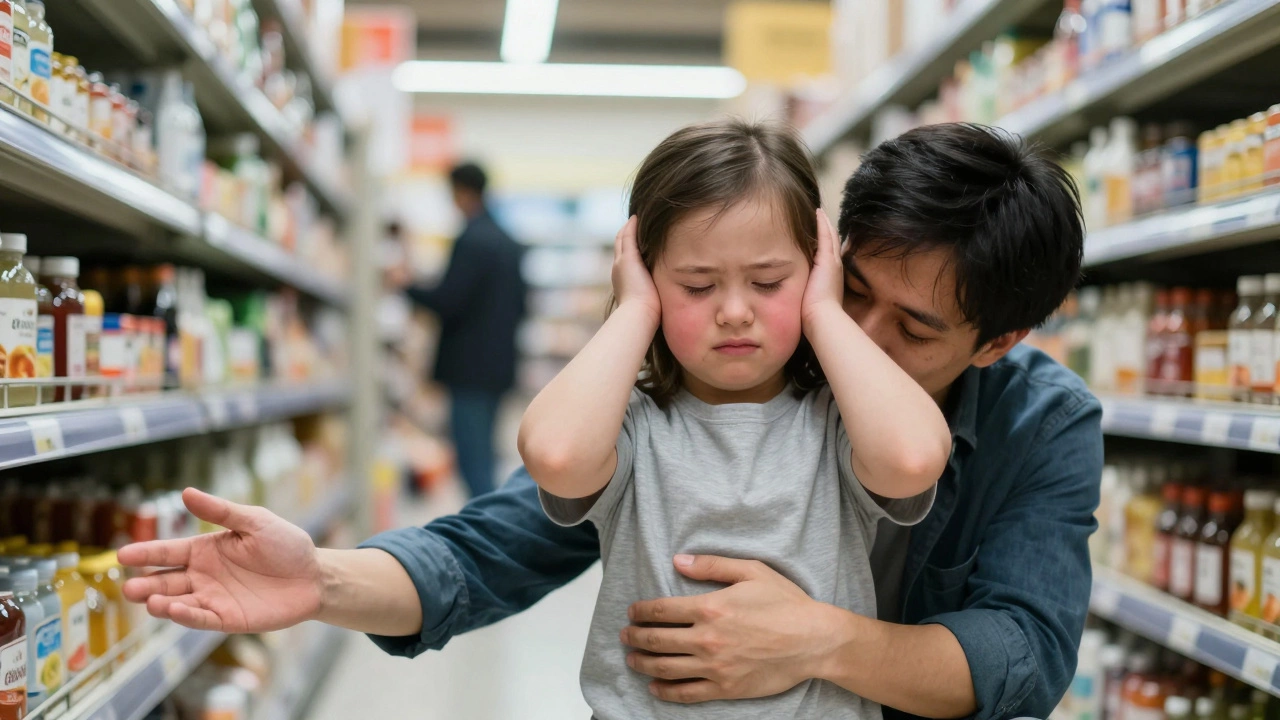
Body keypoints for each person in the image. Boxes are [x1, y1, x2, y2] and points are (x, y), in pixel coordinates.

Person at [118, 122, 1102, 720]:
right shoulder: (718, 386)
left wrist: (813, 641)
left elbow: (1019, 656)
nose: (851, 333)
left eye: (912, 329)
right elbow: (494, 548)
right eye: (844, 292)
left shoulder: (1039, 425)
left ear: (994, 343)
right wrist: (322, 579)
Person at [519, 120, 950, 718]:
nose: (734, 312)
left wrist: (825, 312)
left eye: (769, 281)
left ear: (817, 266)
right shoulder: (633, 427)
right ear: (645, 274)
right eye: (696, 286)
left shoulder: (837, 424)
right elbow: (556, 456)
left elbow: (913, 459)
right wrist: (635, 308)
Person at [397, 162, 526, 498]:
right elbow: (522, 306)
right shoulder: (508, 241)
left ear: (462, 191)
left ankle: (488, 539)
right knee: (485, 456)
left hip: (469, 370)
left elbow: (449, 300)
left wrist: (406, 285)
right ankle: (492, 531)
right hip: (500, 367)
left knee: (473, 464)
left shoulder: (471, 239)